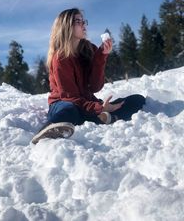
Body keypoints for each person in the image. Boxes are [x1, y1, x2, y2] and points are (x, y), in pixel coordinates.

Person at [32, 8, 145, 144]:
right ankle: (46, 134)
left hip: (87, 103)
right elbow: (70, 97)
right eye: (78, 21)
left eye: (83, 21)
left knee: (136, 100)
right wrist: (99, 108)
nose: (84, 25)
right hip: (63, 103)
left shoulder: (88, 49)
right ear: (66, 26)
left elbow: (95, 86)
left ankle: (100, 117)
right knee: (70, 110)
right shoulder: (60, 58)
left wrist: (101, 57)